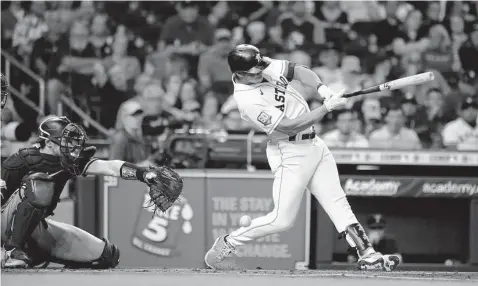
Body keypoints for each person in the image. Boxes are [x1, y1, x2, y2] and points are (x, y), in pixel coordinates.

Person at [204, 44, 401, 271]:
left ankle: (367, 254)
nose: (260, 72)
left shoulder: (261, 64)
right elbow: (288, 127)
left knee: (338, 202)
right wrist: (326, 108)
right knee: (281, 220)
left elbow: (298, 70)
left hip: (314, 144)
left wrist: (322, 89)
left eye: (260, 67)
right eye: (254, 72)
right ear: (239, 74)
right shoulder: (247, 101)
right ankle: (228, 243)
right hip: (290, 152)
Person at [0, 115, 173, 268]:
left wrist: (144, 174)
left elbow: (109, 166)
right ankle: (11, 251)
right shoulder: (20, 161)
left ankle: (35, 253)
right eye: (66, 142)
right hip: (4, 226)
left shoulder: (69, 160)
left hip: (35, 227)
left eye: (74, 142)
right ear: (49, 143)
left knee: (107, 255)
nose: (73, 147)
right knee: (39, 183)